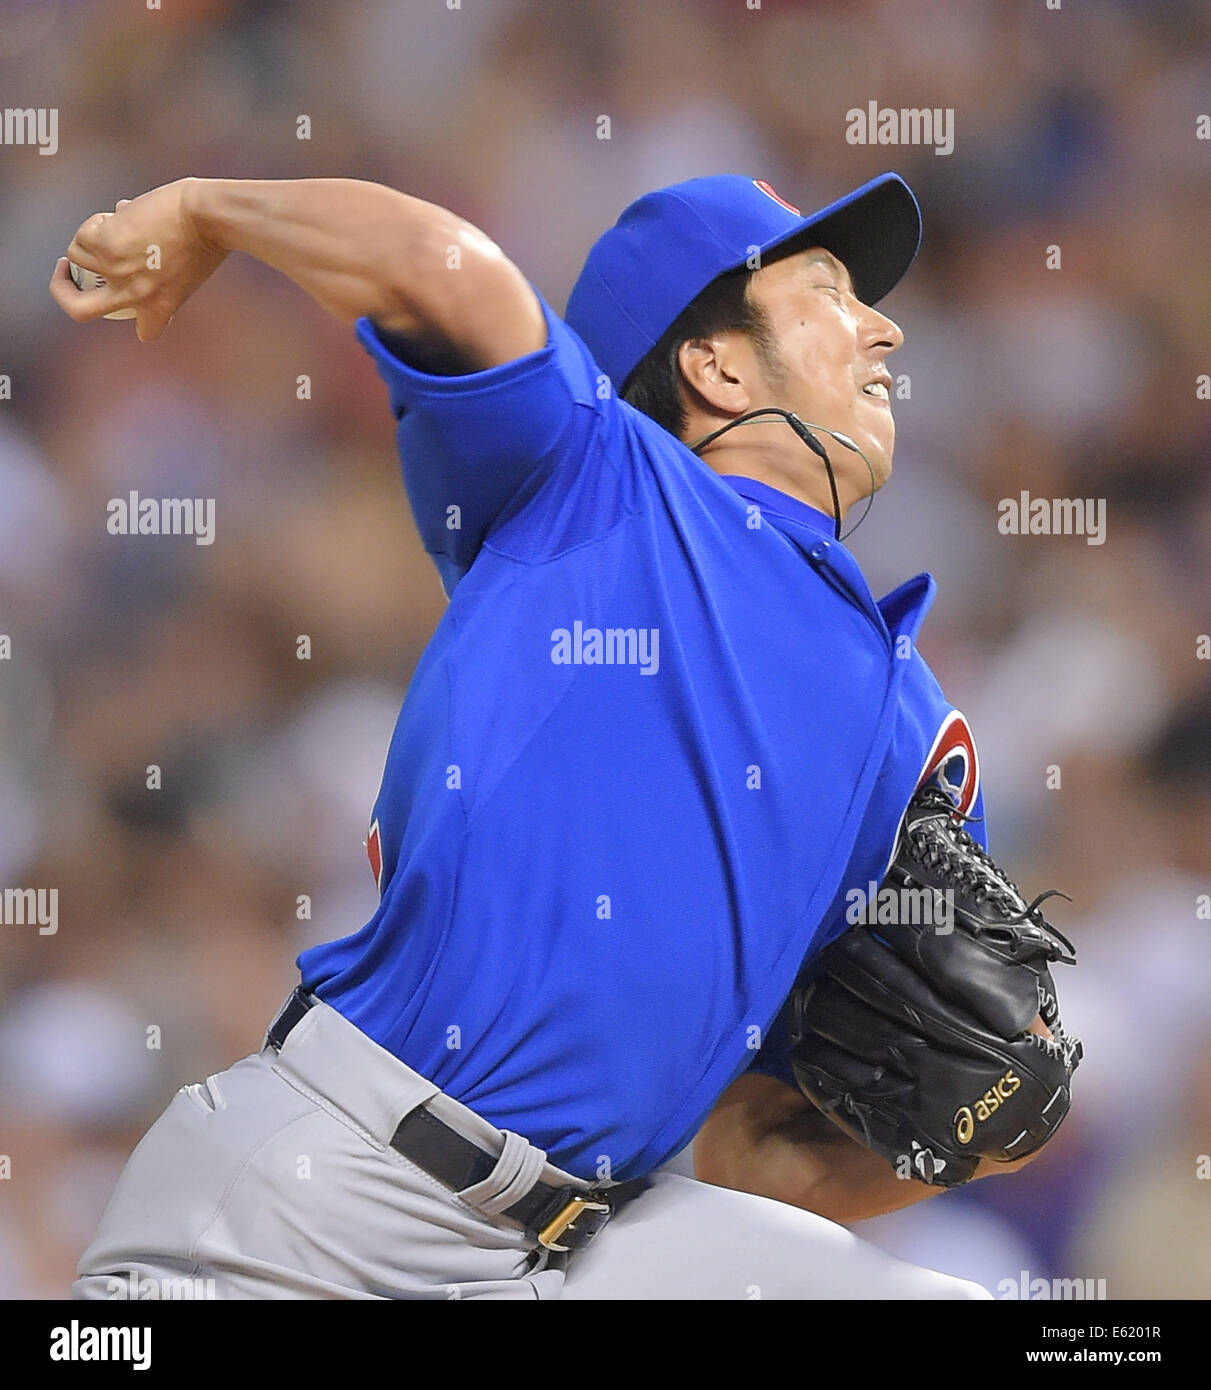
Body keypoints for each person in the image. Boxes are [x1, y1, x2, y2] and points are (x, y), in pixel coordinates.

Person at [55, 171, 1042, 1300]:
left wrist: (969, 1128)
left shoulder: (906, 719)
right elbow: (434, 268)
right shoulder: (596, 484)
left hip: (575, 1243)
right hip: (329, 1198)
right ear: (712, 365)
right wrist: (202, 209)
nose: (883, 324)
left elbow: (753, 1151)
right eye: (826, 290)